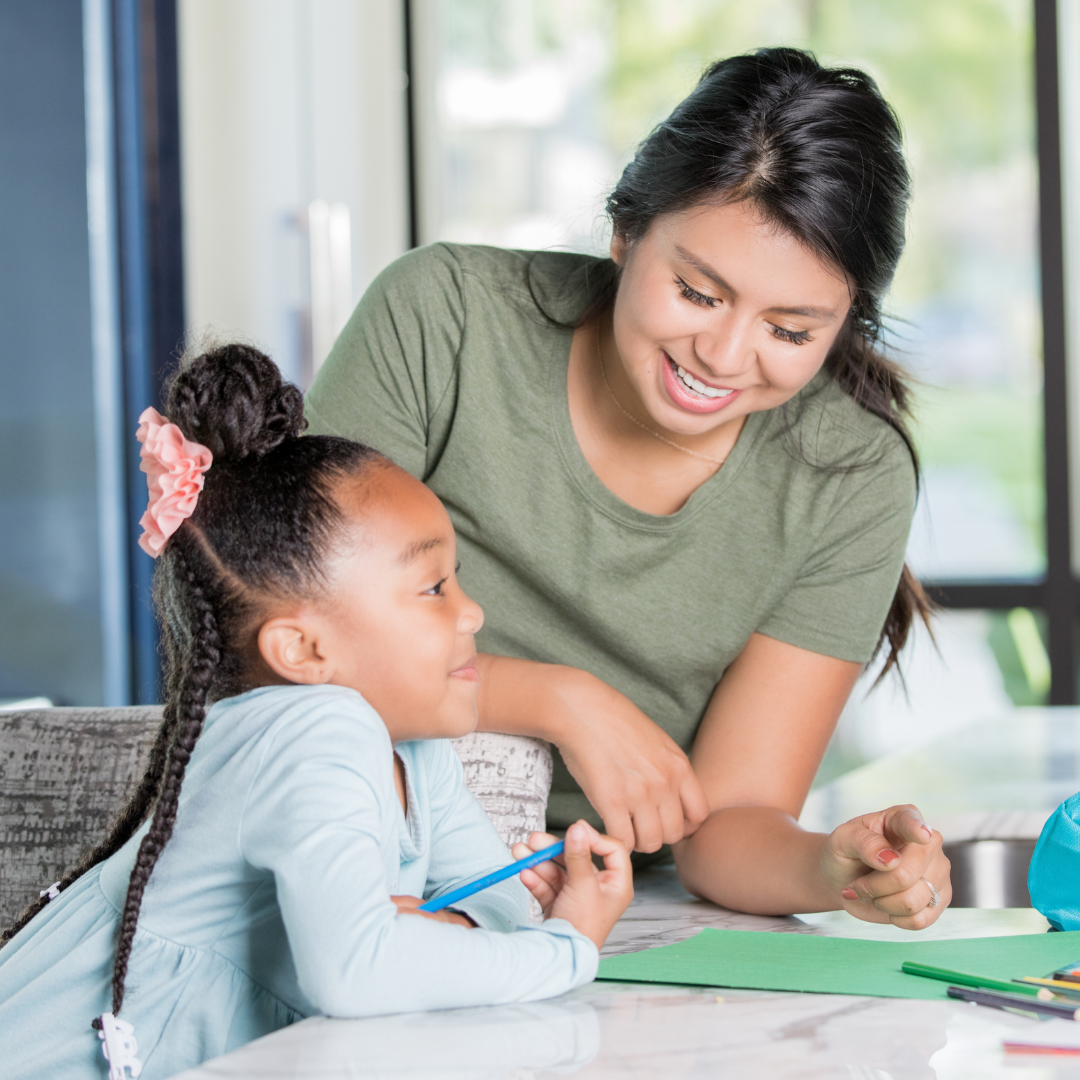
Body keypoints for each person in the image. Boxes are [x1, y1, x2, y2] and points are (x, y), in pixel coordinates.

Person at [305, 46, 952, 929]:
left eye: (791, 331)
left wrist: (833, 868)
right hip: (354, 856)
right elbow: (297, 635)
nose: (723, 359)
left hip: (592, 908)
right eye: (695, 290)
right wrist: (561, 701)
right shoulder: (441, 321)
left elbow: (722, 829)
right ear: (624, 233)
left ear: (842, 327)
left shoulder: (850, 475)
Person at [0, 344, 633, 1080]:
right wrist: (569, 945)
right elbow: (357, 970)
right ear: (301, 651)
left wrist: (446, 929)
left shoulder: (415, 752)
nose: (472, 612)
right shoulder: (316, 729)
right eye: (433, 589)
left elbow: (501, 908)